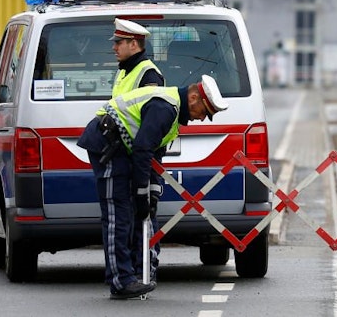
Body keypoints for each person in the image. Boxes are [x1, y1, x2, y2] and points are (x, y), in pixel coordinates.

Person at [77, 75, 229, 299]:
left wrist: (153, 193)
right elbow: (142, 149)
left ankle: (131, 275)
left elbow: (154, 157)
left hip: (120, 147)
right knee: (117, 214)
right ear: (194, 97)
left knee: (126, 214)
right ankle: (121, 282)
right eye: (204, 112)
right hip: (108, 145)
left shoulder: (173, 115)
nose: (203, 119)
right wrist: (141, 193)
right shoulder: (164, 108)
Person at [108, 17, 168, 278]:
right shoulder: (125, 71)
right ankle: (134, 270)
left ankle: (146, 269)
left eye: (119, 42)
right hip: (125, 155)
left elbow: (150, 126)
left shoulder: (149, 75)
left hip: (141, 157)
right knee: (128, 218)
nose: (114, 47)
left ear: (134, 44)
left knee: (144, 214)